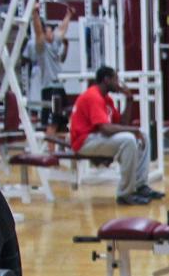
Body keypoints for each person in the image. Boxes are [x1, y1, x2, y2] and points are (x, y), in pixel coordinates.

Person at [69, 66, 163, 205]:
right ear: (106, 80)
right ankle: (125, 194)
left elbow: (122, 123)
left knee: (143, 136)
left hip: (96, 137)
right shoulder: (93, 96)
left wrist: (130, 99)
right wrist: (132, 131)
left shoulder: (106, 99)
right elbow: (106, 129)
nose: (118, 83)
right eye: (116, 79)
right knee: (129, 140)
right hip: (84, 142)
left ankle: (140, 185)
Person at [26, 4, 73, 146]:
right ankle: (51, 157)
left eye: (52, 32)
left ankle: (64, 153)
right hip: (50, 90)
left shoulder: (55, 45)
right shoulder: (42, 48)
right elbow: (38, 31)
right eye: (48, 31)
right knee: (51, 125)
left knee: (65, 122)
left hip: (59, 88)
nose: (51, 34)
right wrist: (34, 13)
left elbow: (62, 29)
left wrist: (68, 15)